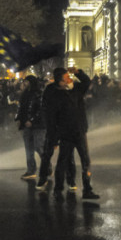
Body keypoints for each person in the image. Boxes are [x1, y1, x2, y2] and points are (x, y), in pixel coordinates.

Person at [40, 67, 99, 199]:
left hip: (80, 131)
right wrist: (54, 137)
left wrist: (78, 72)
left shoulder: (76, 89)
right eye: (67, 78)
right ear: (60, 82)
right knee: (62, 161)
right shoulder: (55, 96)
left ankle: (87, 189)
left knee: (86, 161)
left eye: (69, 76)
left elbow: (87, 82)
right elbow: (51, 118)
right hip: (66, 133)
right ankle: (58, 189)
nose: (70, 79)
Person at [15, 75, 45, 180]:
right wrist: (18, 119)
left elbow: (41, 110)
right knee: (28, 148)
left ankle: (47, 166)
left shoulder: (39, 94)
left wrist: (32, 120)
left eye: (26, 81)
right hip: (27, 125)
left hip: (38, 126)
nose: (24, 84)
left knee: (38, 146)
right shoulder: (24, 94)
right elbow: (21, 108)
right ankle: (31, 170)